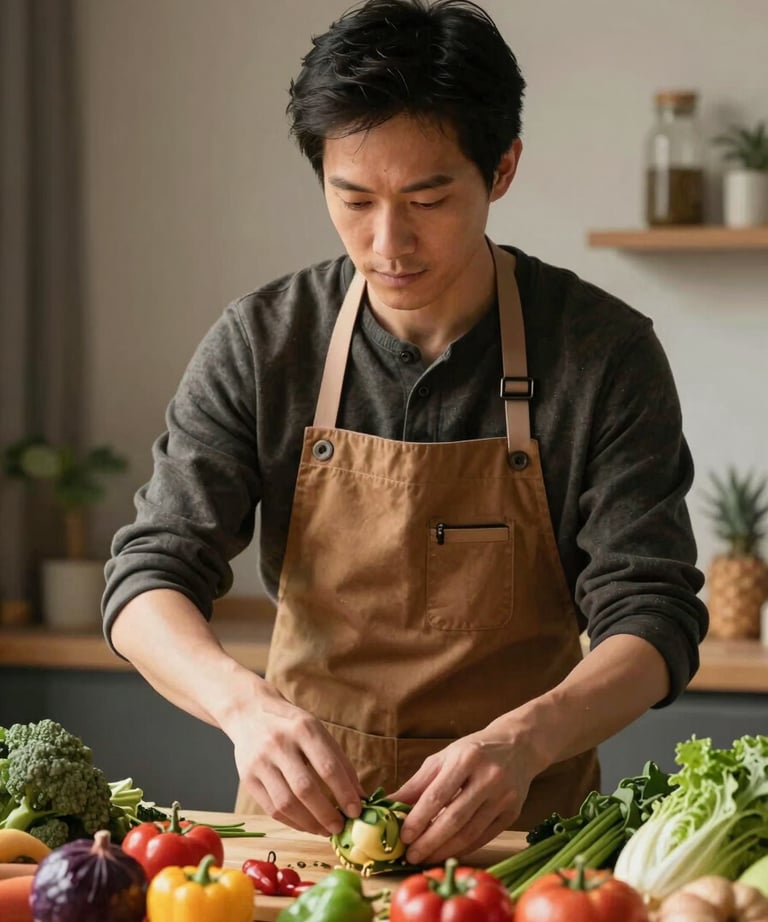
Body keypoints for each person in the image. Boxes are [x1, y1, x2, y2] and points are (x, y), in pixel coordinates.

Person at [103, 0, 708, 865]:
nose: (388, 243)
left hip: (528, 841)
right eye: (352, 198)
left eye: (428, 198)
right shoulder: (265, 342)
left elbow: (652, 616)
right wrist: (245, 708)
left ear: (501, 170)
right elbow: (146, 578)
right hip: (298, 841)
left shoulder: (602, 352)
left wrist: (527, 740)